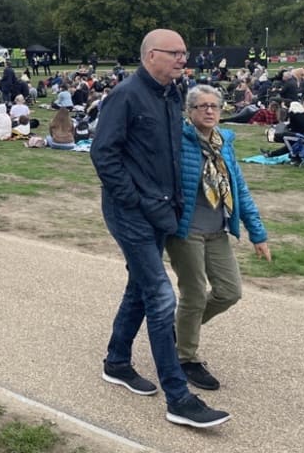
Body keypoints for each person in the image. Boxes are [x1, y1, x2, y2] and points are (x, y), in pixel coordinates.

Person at [89, 29, 230, 429]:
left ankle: (117, 362)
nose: (183, 59)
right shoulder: (126, 95)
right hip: (130, 212)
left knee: (139, 287)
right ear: (152, 55)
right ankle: (179, 398)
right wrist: (133, 198)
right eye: (175, 53)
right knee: (160, 294)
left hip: (162, 212)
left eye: (185, 53)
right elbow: (104, 154)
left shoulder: (172, 95)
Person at [167, 85, 271, 391]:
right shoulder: (177, 141)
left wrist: (258, 233)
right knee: (195, 294)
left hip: (217, 230)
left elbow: (239, 188)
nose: (210, 111)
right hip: (185, 231)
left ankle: (178, 330)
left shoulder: (224, 142)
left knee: (229, 292)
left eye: (214, 106)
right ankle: (185, 357)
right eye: (201, 106)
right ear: (189, 112)